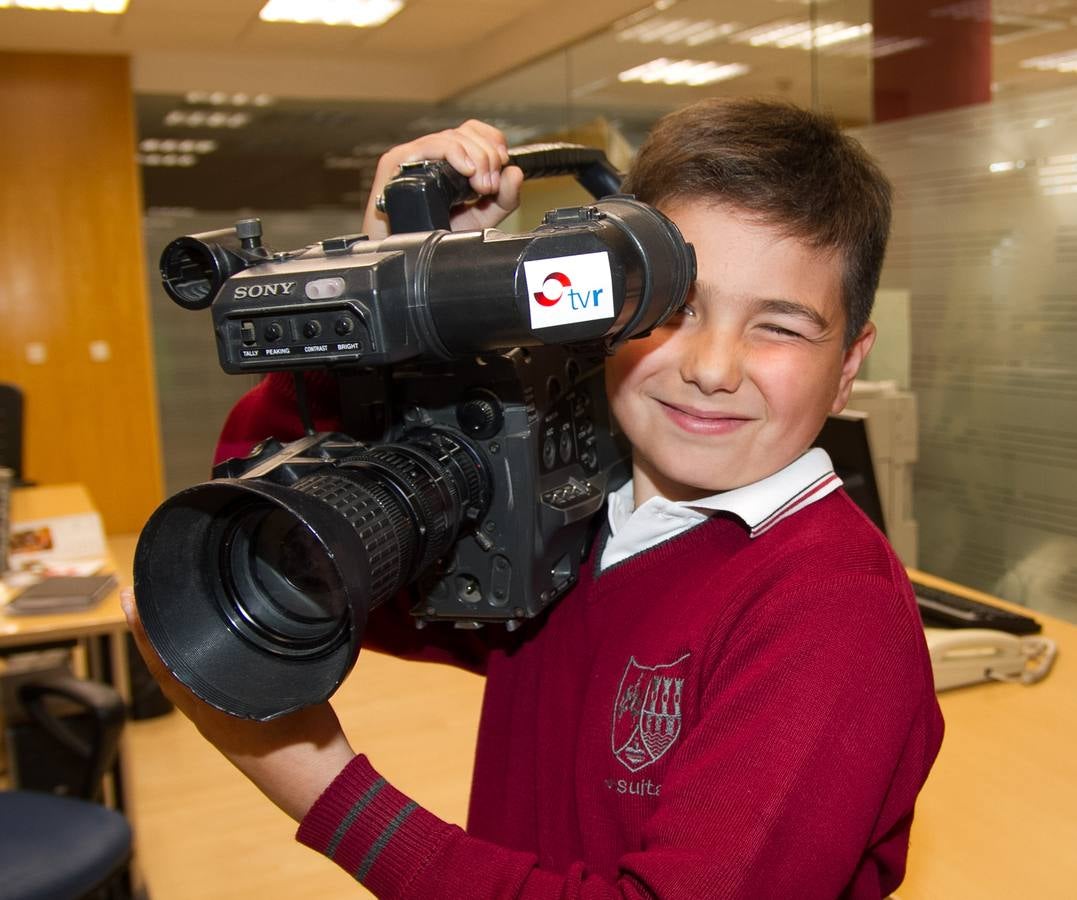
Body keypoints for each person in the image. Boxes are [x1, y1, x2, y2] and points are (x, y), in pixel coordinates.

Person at [125, 102, 944, 898]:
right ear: (609, 306)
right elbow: (289, 529)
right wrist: (384, 293)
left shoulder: (834, 611)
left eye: (780, 327)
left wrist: (315, 780)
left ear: (847, 365)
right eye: (676, 306)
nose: (712, 366)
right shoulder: (580, 516)